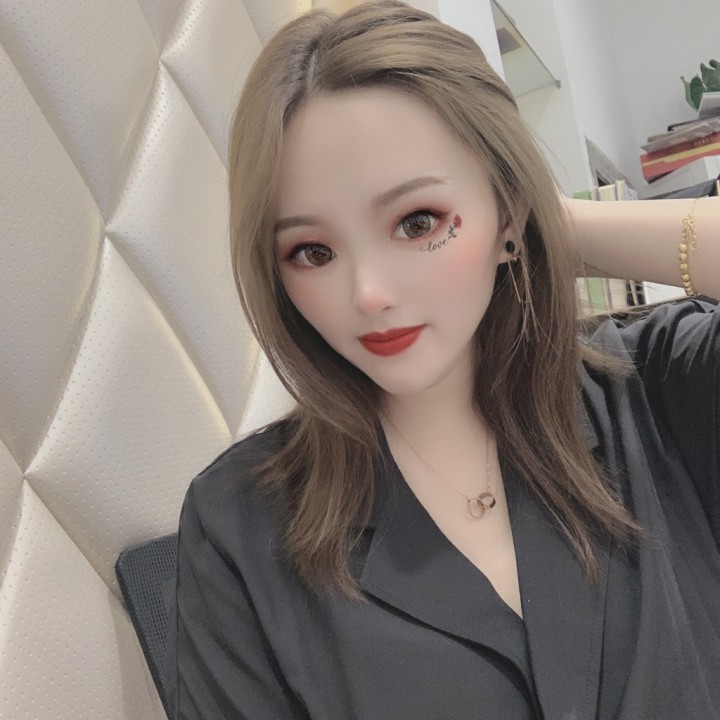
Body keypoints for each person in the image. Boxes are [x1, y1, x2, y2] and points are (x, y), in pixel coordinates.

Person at [165, 2, 720, 718]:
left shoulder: (659, 390)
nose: (368, 293)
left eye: (417, 221)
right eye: (312, 251)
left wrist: (552, 224)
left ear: (506, 208)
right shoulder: (239, 528)